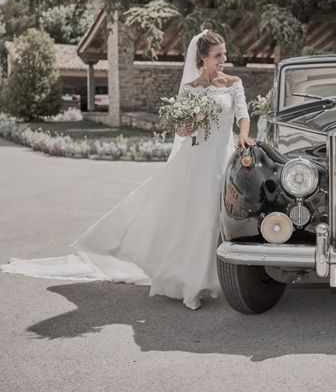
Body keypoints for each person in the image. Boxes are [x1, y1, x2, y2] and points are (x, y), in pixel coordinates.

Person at [1, 30, 255, 310]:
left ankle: (219, 278)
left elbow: (243, 115)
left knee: (219, 220)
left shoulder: (233, 83)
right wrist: (186, 125)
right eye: (219, 55)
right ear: (204, 57)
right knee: (198, 221)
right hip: (196, 160)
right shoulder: (191, 88)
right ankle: (192, 283)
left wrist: (243, 136)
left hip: (224, 157)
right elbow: (182, 129)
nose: (224, 59)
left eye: (224, 54)